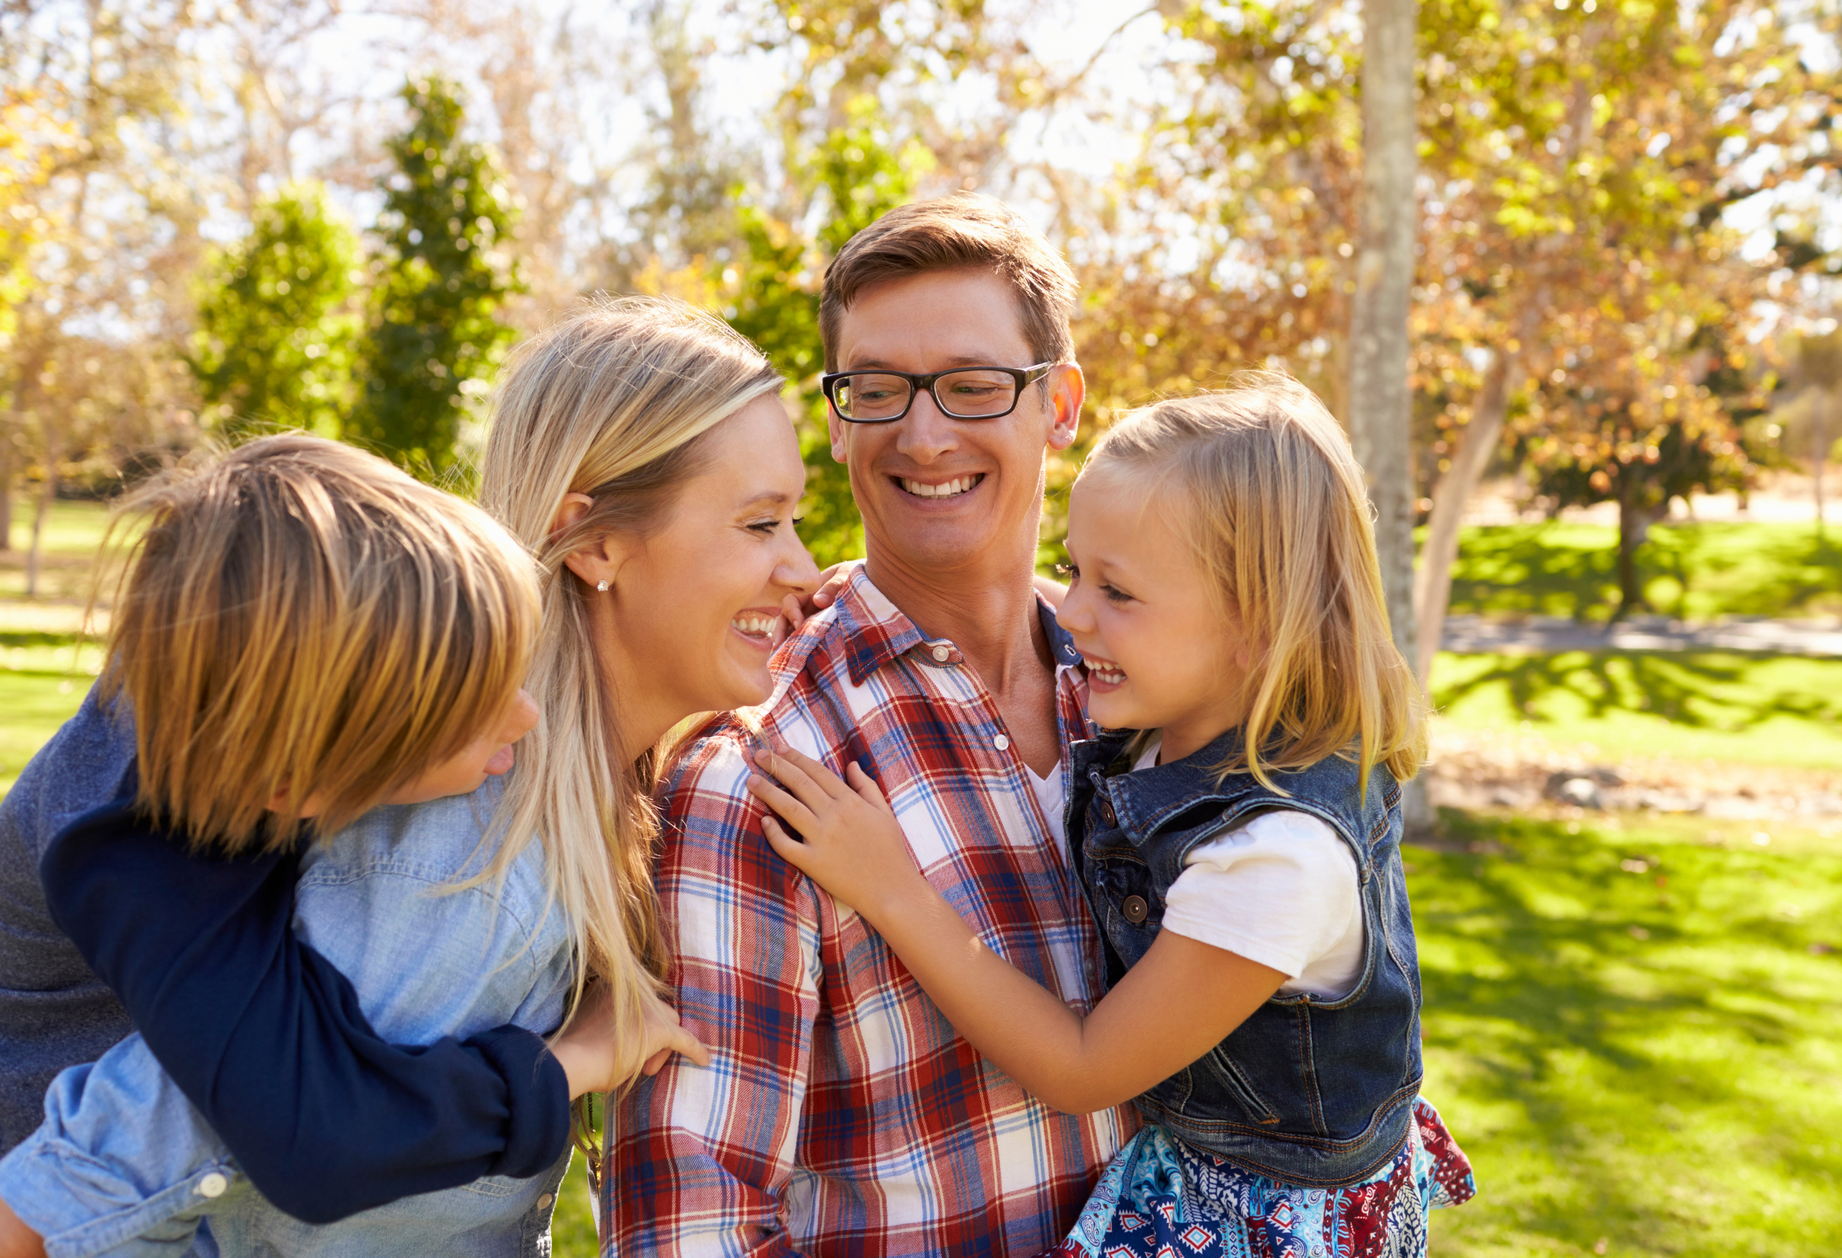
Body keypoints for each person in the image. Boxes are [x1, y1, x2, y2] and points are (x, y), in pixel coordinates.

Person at [0, 296, 818, 1256]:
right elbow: (193, 1154)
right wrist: (567, 1063)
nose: (805, 567)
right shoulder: (448, 855)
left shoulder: (486, 756)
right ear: (591, 542)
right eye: (761, 523)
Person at [748, 381, 1477, 1258]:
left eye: (1118, 593)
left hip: (1254, 1224)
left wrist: (892, 891)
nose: (1072, 613)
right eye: (1074, 569)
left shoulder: (1277, 856)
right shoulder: (1165, 734)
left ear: (1257, 625)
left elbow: (1085, 1068)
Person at [604, 195, 1135, 1256]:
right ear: (839, 418)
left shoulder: (1142, 696)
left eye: (975, 386)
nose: (923, 433)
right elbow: (692, 1228)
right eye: (879, 389)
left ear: (1061, 403)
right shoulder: (766, 762)